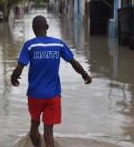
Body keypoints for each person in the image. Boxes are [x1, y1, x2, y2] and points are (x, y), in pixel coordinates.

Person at [11, 15, 92, 147]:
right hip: (53, 96)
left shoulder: (30, 46)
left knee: (34, 125)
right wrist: (85, 75)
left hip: (34, 95)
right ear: (47, 27)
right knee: (49, 132)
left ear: (33, 29)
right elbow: (73, 62)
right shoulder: (58, 44)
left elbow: (20, 67)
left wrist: (13, 78)